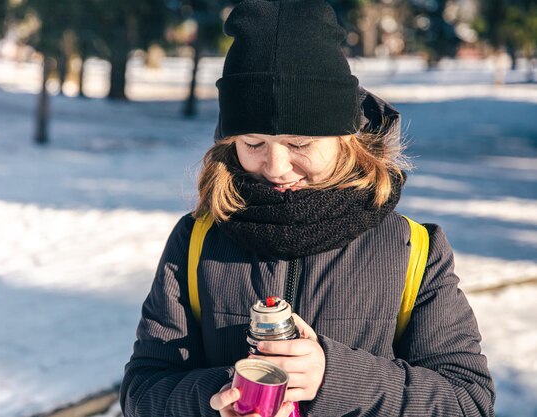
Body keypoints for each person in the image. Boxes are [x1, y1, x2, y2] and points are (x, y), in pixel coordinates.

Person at [120, 0, 495, 415]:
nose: (276, 168)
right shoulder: (196, 242)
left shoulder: (414, 251)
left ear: (347, 138)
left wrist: (334, 378)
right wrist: (220, 396)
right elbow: (143, 391)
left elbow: (467, 402)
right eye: (253, 143)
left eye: (299, 144)